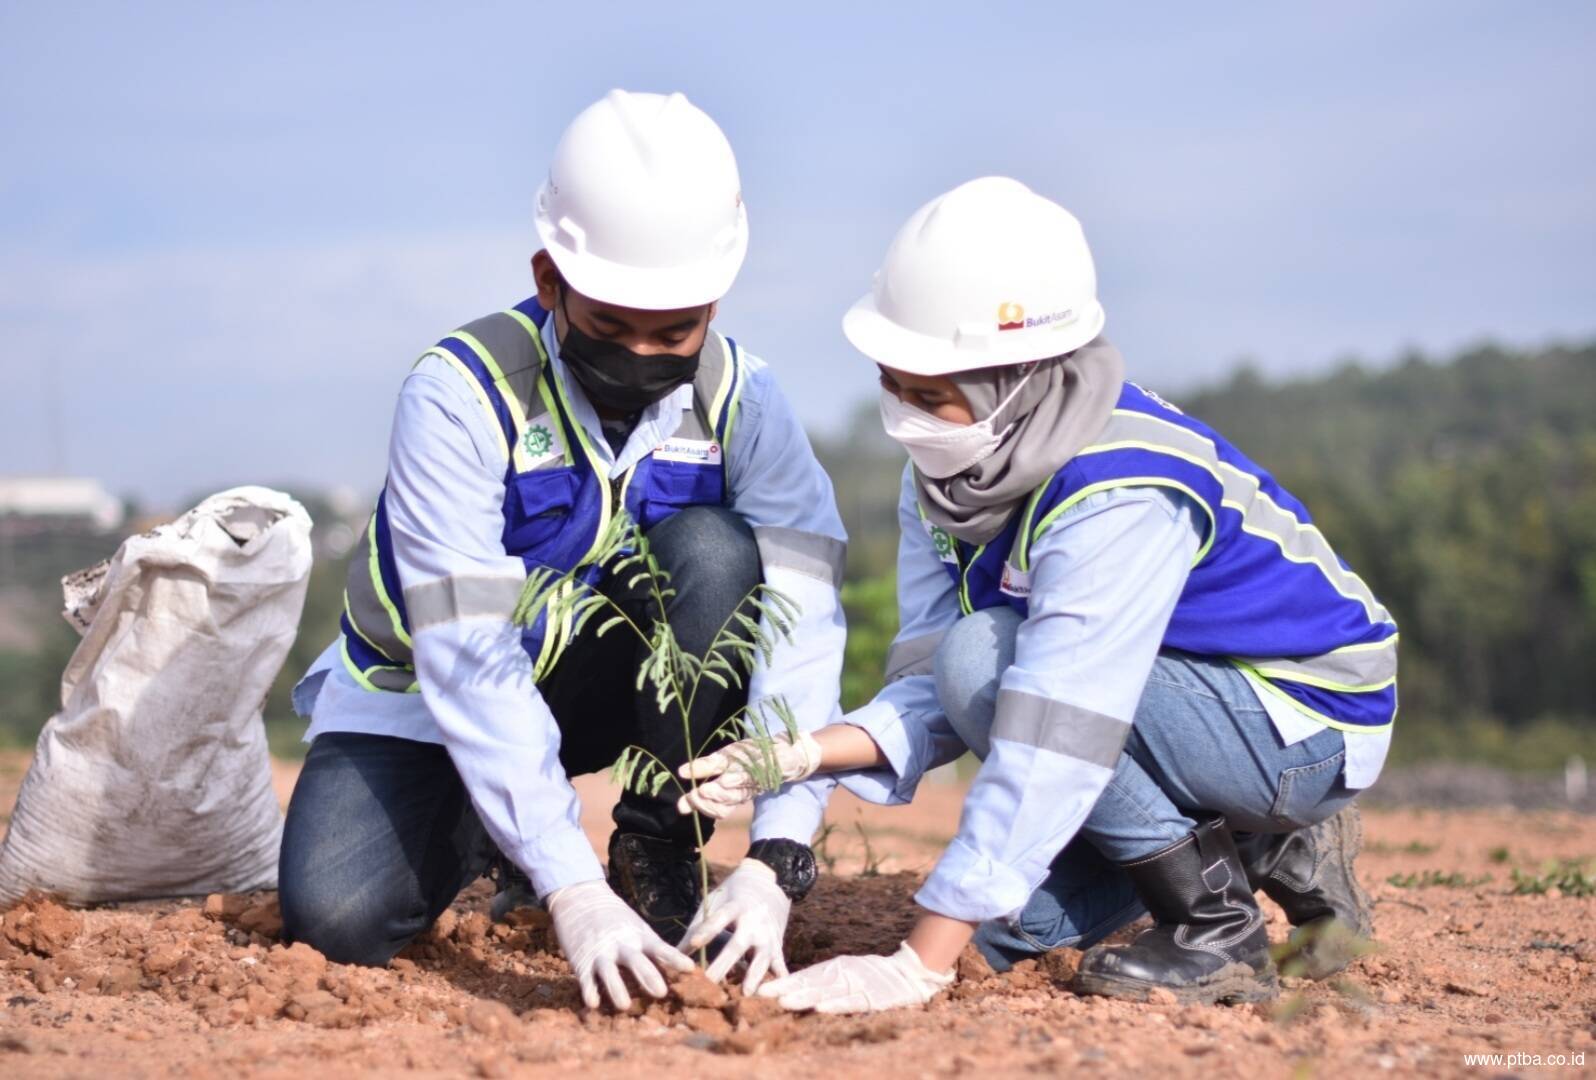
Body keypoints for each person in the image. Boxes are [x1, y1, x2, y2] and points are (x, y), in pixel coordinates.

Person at [678, 176, 1394, 1012]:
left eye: (931, 392)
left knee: (987, 659)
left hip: (1299, 720)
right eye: (893, 383)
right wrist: (801, 755)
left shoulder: (1117, 493)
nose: (905, 415)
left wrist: (918, 964)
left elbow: (1059, 723)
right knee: (1003, 933)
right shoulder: (949, 477)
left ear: (1019, 379)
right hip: (1160, 701)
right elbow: (934, 687)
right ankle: (1267, 845)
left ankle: (1217, 925)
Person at [278, 90, 846, 1011]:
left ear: (714, 299)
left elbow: (803, 614)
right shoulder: (459, 395)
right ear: (550, 280)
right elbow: (463, 651)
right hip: (425, 695)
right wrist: (567, 884)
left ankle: (656, 837)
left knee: (713, 552)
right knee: (339, 918)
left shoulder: (746, 399)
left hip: (601, 685)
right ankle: (491, 828)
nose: (642, 354)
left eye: (674, 331)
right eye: (613, 325)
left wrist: (780, 849)